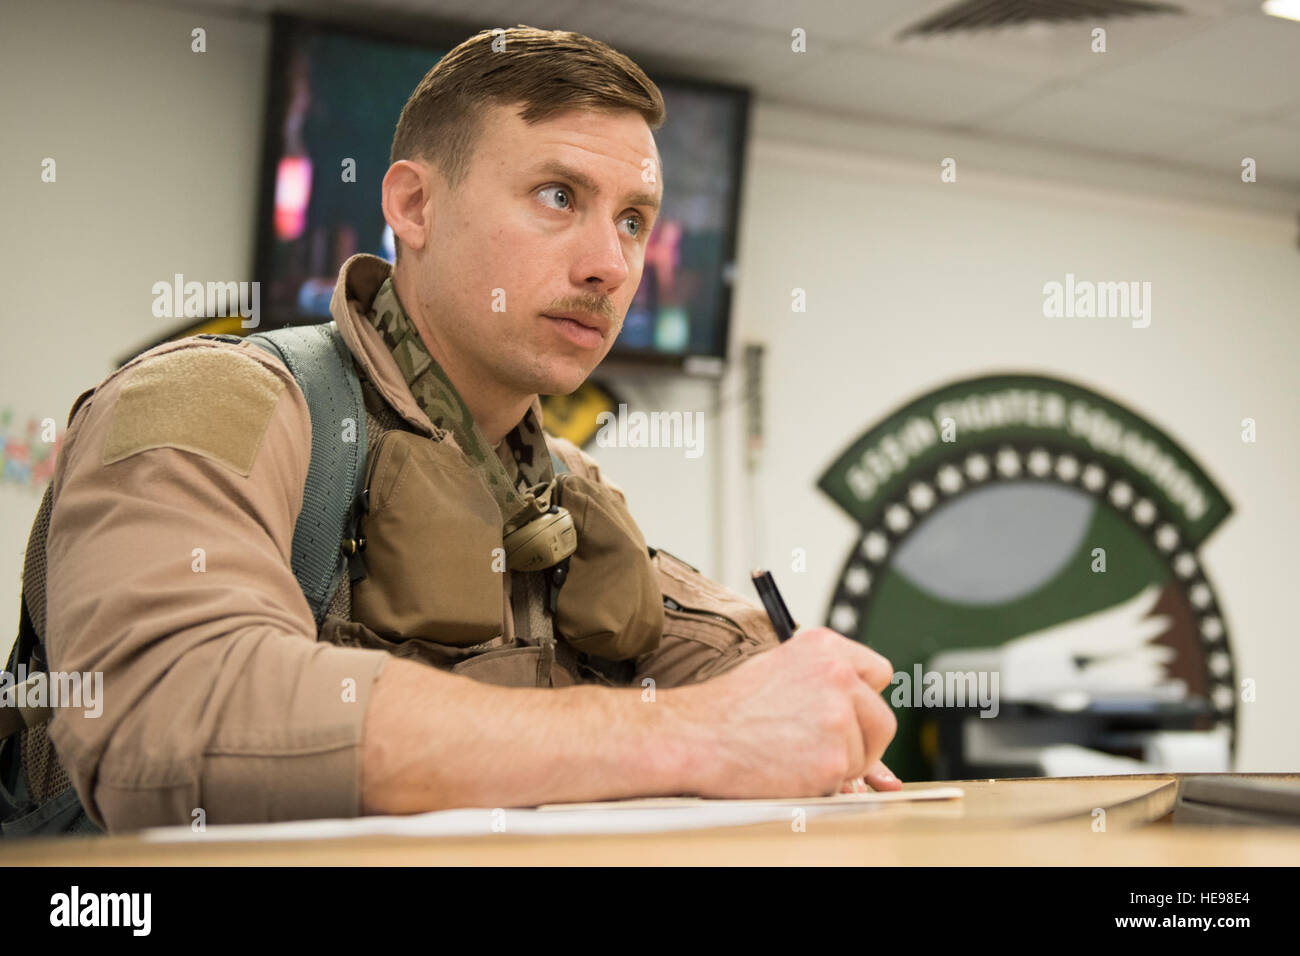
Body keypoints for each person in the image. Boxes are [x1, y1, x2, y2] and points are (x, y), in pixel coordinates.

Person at [30, 26, 899, 833]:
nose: (610, 264)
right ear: (413, 207)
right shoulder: (220, 402)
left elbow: (728, 656)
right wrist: (689, 737)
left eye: (633, 220)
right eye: (559, 196)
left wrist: (806, 706)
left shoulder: (560, 483)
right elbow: (163, 716)